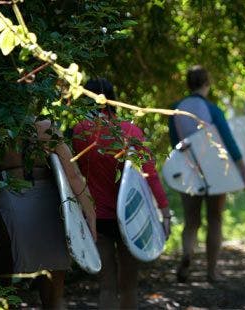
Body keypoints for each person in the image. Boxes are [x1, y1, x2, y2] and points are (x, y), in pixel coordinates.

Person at [72, 78, 171, 309]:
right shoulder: (130, 131)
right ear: (113, 100)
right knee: (129, 286)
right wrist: (165, 213)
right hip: (131, 217)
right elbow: (150, 176)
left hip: (99, 218)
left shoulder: (80, 132)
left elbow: (76, 174)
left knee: (106, 285)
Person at [0, 119, 96, 309]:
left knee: (8, 292)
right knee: (54, 296)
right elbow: (73, 175)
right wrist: (90, 215)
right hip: (50, 207)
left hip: (11, 202)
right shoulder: (45, 127)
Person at [168, 65, 245, 283]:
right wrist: (243, 170)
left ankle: (187, 256)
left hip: (187, 169)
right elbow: (228, 142)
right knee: (215, 218)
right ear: (207, 83)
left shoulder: (176, 109)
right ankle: (212, 272)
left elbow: (175, 144)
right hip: (214, 171)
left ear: (188, 84)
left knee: (191, 221)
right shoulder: (213, 110)